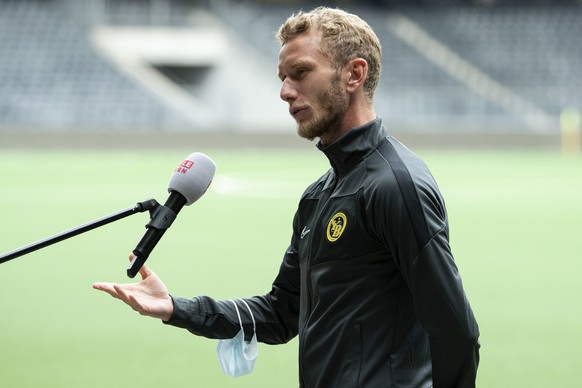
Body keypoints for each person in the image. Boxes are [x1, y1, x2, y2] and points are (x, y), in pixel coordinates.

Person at [93, 6, 480, 387]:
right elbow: (281, 314)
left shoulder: (396, 185)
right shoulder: (318, 196)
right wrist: (177, 308)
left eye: (300, 73)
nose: (284, 92)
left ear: (354, 74)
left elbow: (456, 332)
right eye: (282, 77)